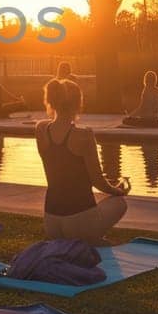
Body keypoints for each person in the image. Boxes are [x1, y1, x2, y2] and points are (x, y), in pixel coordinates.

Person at [34, 79, 128, 244]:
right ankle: (92, 238)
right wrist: (118, 190)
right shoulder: (84, 136)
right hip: (79, 222)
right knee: (119, 204)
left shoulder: (41, 129)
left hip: (52, 223)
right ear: (78, 104)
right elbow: (97, 181)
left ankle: (92, 238)